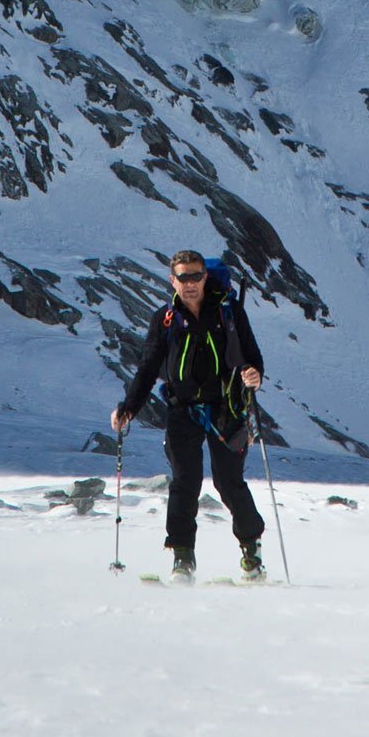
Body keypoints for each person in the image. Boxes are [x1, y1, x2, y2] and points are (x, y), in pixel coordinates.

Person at [111, 249, 266, 583]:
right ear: (173, 280)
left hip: (227, 409)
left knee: (228, 482)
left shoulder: (229, 312)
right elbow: (149, 367)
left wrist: (254, 374)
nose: (190, 283)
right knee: (184, 482)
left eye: (196, 276)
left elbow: (252, 357)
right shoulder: (165, 319)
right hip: (182, 410)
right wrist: (129, 407)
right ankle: (182, 557)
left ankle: (251, 551)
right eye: (183, 277)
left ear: (205, 277)